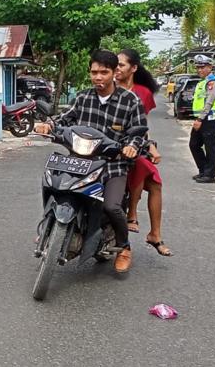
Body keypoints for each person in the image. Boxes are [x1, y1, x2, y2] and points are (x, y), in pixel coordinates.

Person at [35, 49, 146, 274]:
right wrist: (49, 125)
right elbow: (65, 119)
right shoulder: (84, 97)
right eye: (94, 72)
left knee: (112, 206)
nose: (98, 77)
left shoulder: (130, 100)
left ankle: (124, 246)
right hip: (79, 161)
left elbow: (138, 132)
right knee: (54, 185)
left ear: (115, 72)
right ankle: (50, 226)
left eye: (104, 72)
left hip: (113, 164)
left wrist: (131, 146)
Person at [116, 49, 171, 257]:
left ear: (134, 68)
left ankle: (155, 234)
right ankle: (131, 214)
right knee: (141, 165)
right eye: (115, 65)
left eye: (121, 65)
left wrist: (150, 145)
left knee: (155, 182)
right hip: (110, 144)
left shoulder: (143, 93)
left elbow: (142, 125)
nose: (116, 69)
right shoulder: (107, 88)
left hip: (134, 142)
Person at [188, 54, 215, 183]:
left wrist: (200, 119)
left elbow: (209, 102)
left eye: (202, 67)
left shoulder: (212, 82)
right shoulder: (202, 82)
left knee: (210, 147)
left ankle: (210, 175)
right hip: (200, 118)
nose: (199, 70)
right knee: (194, 144)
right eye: (198, 67)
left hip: (207, 118)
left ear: (210, 67)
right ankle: (203, 170)